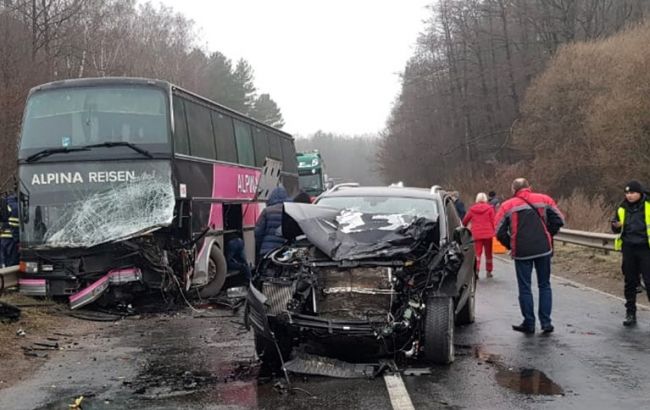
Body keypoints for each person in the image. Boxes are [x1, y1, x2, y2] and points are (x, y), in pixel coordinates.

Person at [495, 178, 564, 334]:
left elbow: (498, 230)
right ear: (529, 187)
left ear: (513, 189)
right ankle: (546, 322)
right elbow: (559, 220)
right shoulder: (544, 199)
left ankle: (529, 322)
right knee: (544, 285)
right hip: (543, 248)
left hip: (521, 251)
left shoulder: (508, 205)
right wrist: (548, 234)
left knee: (525, 287)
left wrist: (510, 244)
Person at [611, 180, 650, 327]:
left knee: (649, 282)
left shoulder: (648, 205)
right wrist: (615, 225)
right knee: (630, 282)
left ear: (640, 193)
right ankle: (630, 313)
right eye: (627, 193)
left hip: (646, 248)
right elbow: (615, 227)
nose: (629, 196)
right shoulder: (622, 207)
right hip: (628, 248)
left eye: (632, 193)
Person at [463, 192, 495, 278]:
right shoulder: (490, 208)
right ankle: (489, 271)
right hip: (488, 234)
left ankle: (476, 270)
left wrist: (464, 226)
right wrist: (494, 231)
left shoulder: (472, 209)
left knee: (477, 254)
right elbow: (493, 221)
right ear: (485, 199)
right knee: (488, 253)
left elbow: (466, 219)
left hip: (476, 234)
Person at [254, 186, 291, 263]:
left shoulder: (267, 211)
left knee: (266, 273)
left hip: (267, 251)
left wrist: (259, 247)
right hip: (284, 251)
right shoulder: (289, 211)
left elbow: (258, 232)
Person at [0, 193, 19, 267]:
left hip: (3, 237)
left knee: (4, 259)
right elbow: (15, 223)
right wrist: (17, 238)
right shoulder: (16, 206)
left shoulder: (4, 205)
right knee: (12, 260)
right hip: (11, 238)